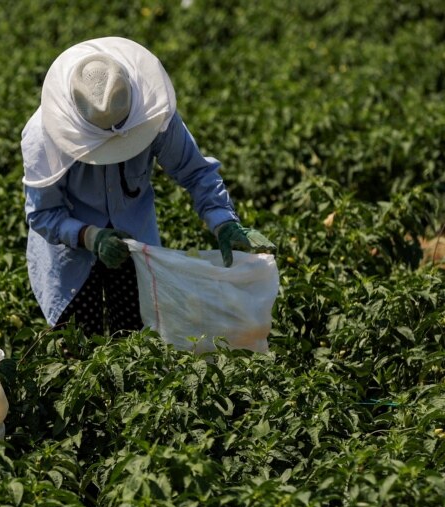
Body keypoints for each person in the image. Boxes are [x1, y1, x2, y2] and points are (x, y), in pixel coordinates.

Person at [22, 37, 276, 336]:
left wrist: (224, 222)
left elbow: (195, 172)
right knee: (77, 342)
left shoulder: (152, 115)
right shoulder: (44, 136)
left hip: (136, 243)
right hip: (71, 259)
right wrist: (91, 236)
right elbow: (43, 214)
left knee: (136, 338)